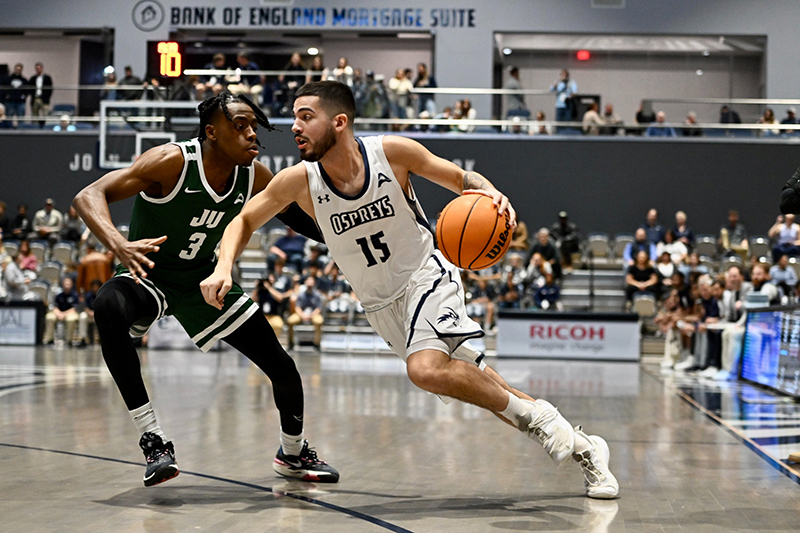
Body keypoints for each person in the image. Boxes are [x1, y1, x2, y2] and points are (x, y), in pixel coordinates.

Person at [202, 80, 619, 499]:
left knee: (424, 370)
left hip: (426, 275)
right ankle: (585, 448)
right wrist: (224, 267)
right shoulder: (299, 181)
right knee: (478, 381)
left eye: (306, 116)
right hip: (380, 305)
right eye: (295, 117)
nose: (295, 126)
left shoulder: (392, 153)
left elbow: (460, 178)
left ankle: (545, 421)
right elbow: (243, 220)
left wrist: (490, 191)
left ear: (340, 122)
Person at [73, 91, 338, 488]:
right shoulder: (171, 161)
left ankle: (293, 453)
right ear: (212, 132)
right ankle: (154, 441)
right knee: (108, 303)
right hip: (151, 277)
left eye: (254, 125)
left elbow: (296, 219)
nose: (252, 134)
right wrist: (119, 244)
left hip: (205, 281)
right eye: (240, 125)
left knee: (282, 367)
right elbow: (87, 195)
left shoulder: (256, 176)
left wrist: (344, 238)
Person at [286, 275, 324, 348]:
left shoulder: (317, 295)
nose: (310, 282)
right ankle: (291, 342)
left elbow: (319, 308)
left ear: (314, 282)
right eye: (308, 280)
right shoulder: (301, 295)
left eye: (311, 280)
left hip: (313, 314)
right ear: (305, 282)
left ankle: (317, 343)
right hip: (301, 314)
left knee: (319, 321)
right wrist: (302, 315)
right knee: (290, 321)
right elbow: (297, 307)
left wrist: (311, 315)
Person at [43, 276, 81, 345]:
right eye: (65, 284)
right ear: (63, 285)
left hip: (70, 313)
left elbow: (75, 308)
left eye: (68, 284)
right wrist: (59, 314)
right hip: (59, 313)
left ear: (72, 285)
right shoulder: (58, 295)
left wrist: (64, 314)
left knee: (71, 319)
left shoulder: (75, 295)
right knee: (49, 317)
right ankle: (49, 339)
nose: (67, 286)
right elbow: (54, 306)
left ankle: (69, 340)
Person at [28, 62, 53, 127]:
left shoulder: (47, 78)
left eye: (39, 68)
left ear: (42, 68)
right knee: (35, 115)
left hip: (44, 98)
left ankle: (45, 127)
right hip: (35, 98)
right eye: (36, 68)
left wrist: (47, 97)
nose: (38, 69)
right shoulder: (33, 78)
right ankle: (35, 128)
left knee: (45, 114)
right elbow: (30, 88)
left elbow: (50, 89)